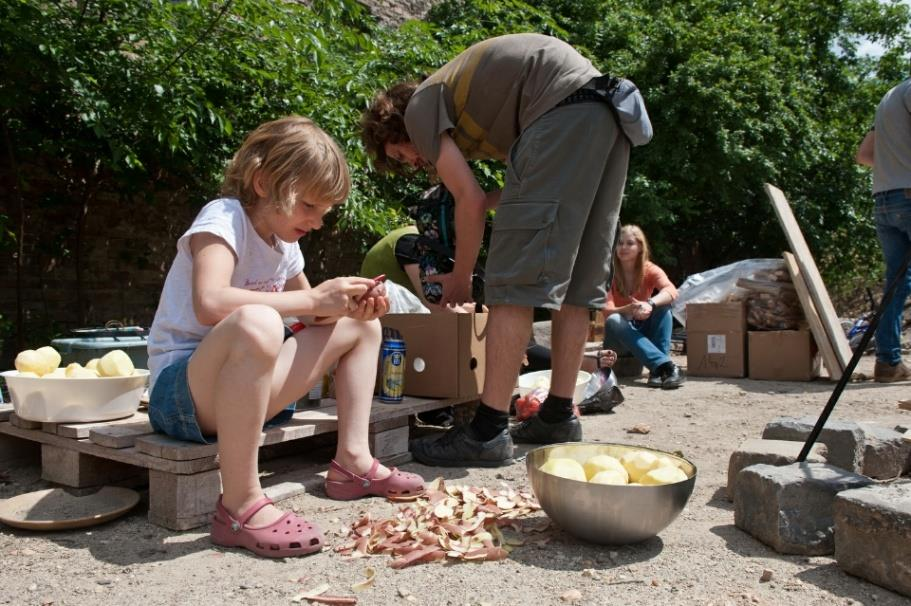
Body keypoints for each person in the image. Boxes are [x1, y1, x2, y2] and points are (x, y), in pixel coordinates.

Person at [146, 116, 425, 559]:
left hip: (248, 398)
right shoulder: (223, 219)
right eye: (308, 206)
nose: (316, 222)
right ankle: (239, 504)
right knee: (256, 321)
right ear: (262, 182)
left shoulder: (284, 244)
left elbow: (314, 314)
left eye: (324, 212)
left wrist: (346, 304)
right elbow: (210, 302)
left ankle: (352, 462)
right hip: (182, 398)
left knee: (361, 326)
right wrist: (314, 299)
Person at [362, 33, 635, 466]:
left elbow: (470, 201)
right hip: (608, 115)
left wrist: (461, 276)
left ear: (393, 127)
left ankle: (486, 432)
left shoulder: (418, 109)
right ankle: (559, 414)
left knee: (512, 281)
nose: (410, 163)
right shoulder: (481, 102)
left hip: (565, 110)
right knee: (579, 279)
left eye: (399, 153)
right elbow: (512, 192)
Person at [855, 79, 911, 383]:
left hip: (884, 200)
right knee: (898, 284)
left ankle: (888, 363)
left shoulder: (889, 97)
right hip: (909, 196)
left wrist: (898, 162)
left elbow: (864, 154)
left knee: (896, 285)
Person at [601, 225, 684, 388]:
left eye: (630, 243)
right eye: (619, 243)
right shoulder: (607, 273)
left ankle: (657, 371)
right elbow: (607, 312)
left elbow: (671, 290)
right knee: (614, 319)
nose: (623, 247)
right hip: (618, 341)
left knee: (663, 307)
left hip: (643, 331)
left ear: (640, 248)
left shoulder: (650, 269)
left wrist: (650, 303)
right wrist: (629, 309)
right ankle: (667, 366)